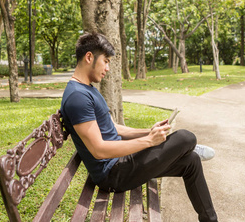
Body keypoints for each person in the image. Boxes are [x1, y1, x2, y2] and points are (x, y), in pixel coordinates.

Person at [60, 32, 218, 222]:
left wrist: (148, 131)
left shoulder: (86, 89)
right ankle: (186, 147)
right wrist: (149, 141)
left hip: (121, 162)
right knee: (186, 137)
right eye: (106, 61)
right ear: (89, 57)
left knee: (191, 161)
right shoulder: (78, 96)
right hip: (113, 173)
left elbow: (114, 128)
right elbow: (99, 150)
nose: (108, 68)